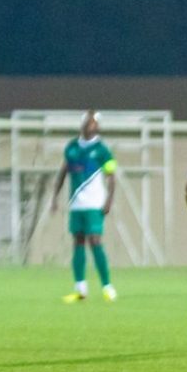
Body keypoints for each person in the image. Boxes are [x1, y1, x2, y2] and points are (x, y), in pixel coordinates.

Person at [50, 110, 118, 303]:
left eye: (94, 122)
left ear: (98, 126)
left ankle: (107, 287)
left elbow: (111, 176)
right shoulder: (71, 148)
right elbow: (63, 173)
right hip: (75, 203)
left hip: (95, 203)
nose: (91, 125)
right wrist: (55, 197)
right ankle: (80, 289)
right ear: (82, 124)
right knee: (78, 241)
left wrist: (109, 200)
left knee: (95, 240)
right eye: (88, 121)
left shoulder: (102, 150)